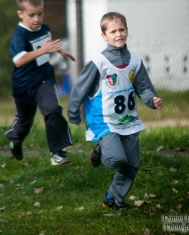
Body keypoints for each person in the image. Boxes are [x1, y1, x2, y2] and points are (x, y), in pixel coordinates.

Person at [67, 12, 163, 210]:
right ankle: (101, 149)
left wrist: (151, 100)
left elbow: (143, 87)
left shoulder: (135, 60)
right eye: (113, 31)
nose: (118, 34)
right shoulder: (98, 63)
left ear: (127, 31)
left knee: (132, 164)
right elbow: (79, 88)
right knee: (117, 159)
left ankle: (113, 199)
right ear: (104, 36)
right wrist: (74, 113)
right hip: (103, 121)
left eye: (121, 30)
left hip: (127, 121)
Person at [5, 0, 76, 165]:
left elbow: (47, 42)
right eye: (32, 15)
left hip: (44, 79)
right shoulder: (19, 36)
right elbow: (19, 60)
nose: (37, 19)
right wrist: (42, 51)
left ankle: (57, 152)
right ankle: (15, 138)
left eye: (40, 14)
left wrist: (60, 50)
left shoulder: (44, 28)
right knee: (24, 121)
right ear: (20, 14)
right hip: (24, 84)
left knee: (52, 109)